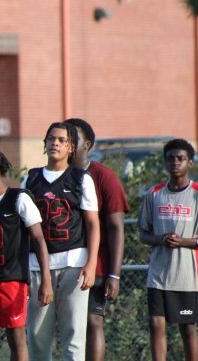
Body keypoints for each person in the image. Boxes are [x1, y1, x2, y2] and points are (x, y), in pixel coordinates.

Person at [21, 121, 100, 361]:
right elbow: (23, 226)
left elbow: (93, 224)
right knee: (37, 336)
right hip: (37, 265)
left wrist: (91, 264)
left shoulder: (81, 179)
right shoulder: (31, 179)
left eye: (61, 140)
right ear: (44, 144)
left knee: (74, 336)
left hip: (73, 264)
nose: (55, 143)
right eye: (51, 138)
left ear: (71, 147)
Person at [0, 147, 53, 361]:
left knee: (16, 339)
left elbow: (39, 240)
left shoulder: (19, 199)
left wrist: (46, 280)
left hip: (11, 279)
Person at [139, 138, 198, 361]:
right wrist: (160, 239)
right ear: (165, 163)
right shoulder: (154, 194)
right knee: (156, 324)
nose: (175, 163)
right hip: (158, 274)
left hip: (187, 276)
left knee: (187, 328)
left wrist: (185, 242)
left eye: (180, 159)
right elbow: (143, 234)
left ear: (190, 163)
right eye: (171, 159)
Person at [64, 118, 130, 361]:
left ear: (87, 144)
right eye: (63, 139)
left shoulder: (103, 176)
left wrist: (114, 274)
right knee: (67, 325)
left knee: (93, 321)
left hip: (95, 264)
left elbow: (115, 228)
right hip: (60, 263)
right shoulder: (54, 176)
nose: (68, 145)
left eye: (73, 139)